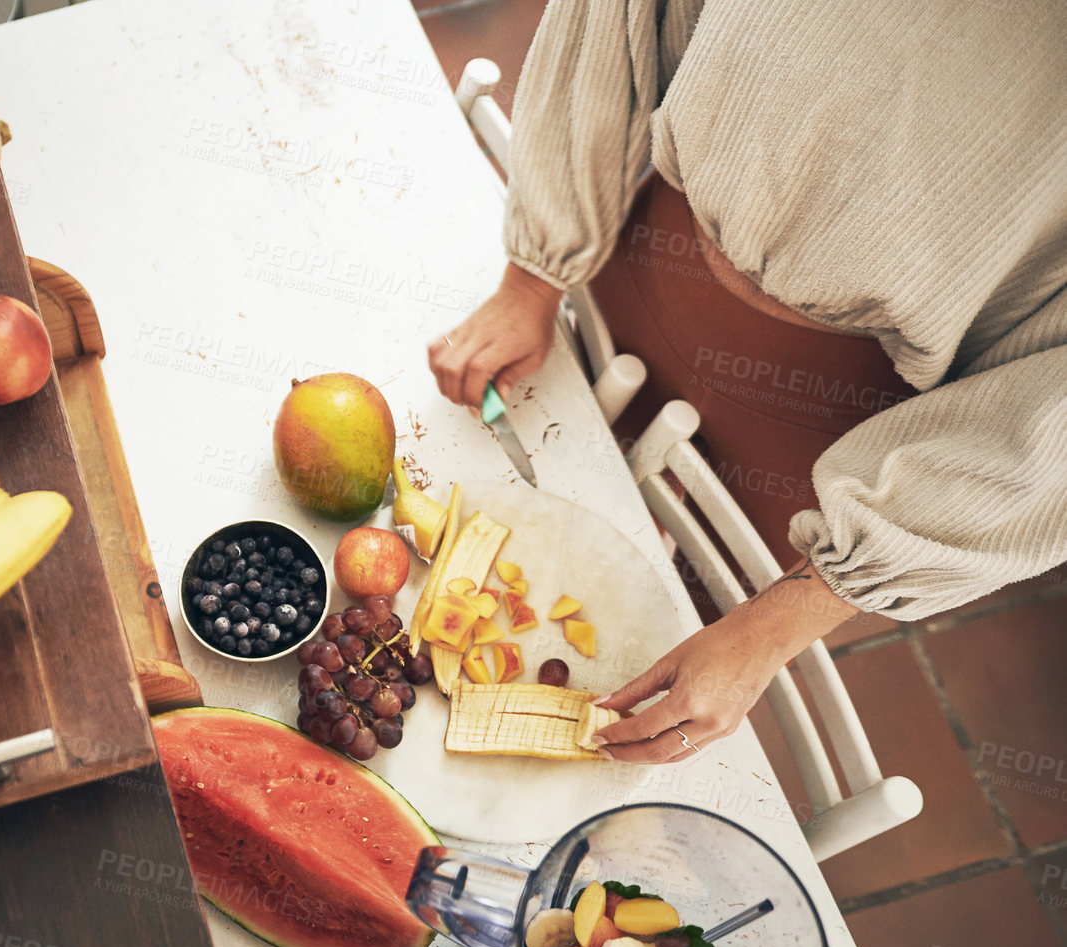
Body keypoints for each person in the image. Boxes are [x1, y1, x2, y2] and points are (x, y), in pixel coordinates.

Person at [430, 1, 1067, 765]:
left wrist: (771, 629)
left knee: (641, 650)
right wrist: (534, 275)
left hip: (827, 430)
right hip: (639, 263)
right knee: (488, 504)